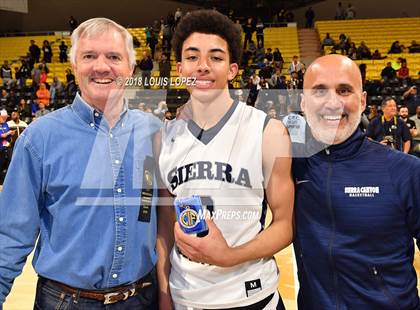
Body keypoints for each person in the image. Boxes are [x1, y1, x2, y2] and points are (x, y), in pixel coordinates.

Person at [0, 17, 162, 309]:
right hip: (65, 302)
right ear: (74, 67)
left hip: (143, 298)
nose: (101, 66)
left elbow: (159, 216)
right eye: (89, 56)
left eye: (114, 57)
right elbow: (10, 235)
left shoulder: (153, 132)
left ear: (131, 69)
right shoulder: (39, 138)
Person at [157, 9, 294, 310]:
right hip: (185, 298)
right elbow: (165, 231)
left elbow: (284, 225)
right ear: (180, 68)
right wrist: (164, 295)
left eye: (216, 58)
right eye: (192, 57)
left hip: (252, 296)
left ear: (232, 70)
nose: (203, 66)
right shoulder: (162, 139)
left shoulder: (268, 132)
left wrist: (228, 256)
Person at [293, 54, 420, 309]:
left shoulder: (405, 170)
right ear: (304, 104)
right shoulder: (291, 165)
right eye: (319, 91)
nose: (332, 102)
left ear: (362, 101)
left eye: (344, 90)